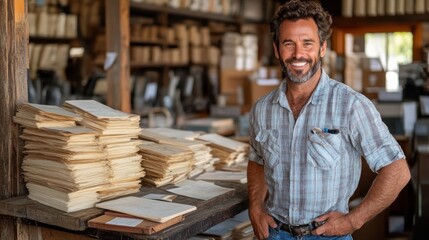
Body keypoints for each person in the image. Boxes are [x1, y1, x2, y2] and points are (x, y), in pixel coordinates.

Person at [247, 0, 411, 239]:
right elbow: (257, 160)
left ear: (322, 47)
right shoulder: (262, 109)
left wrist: (353, 221)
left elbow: (397, 171)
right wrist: (255, 207)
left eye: (307, 43)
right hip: (275, 233)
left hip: (328, 235)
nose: (298, 54)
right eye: (288, 43)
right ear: (276, 49)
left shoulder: (351, 105)